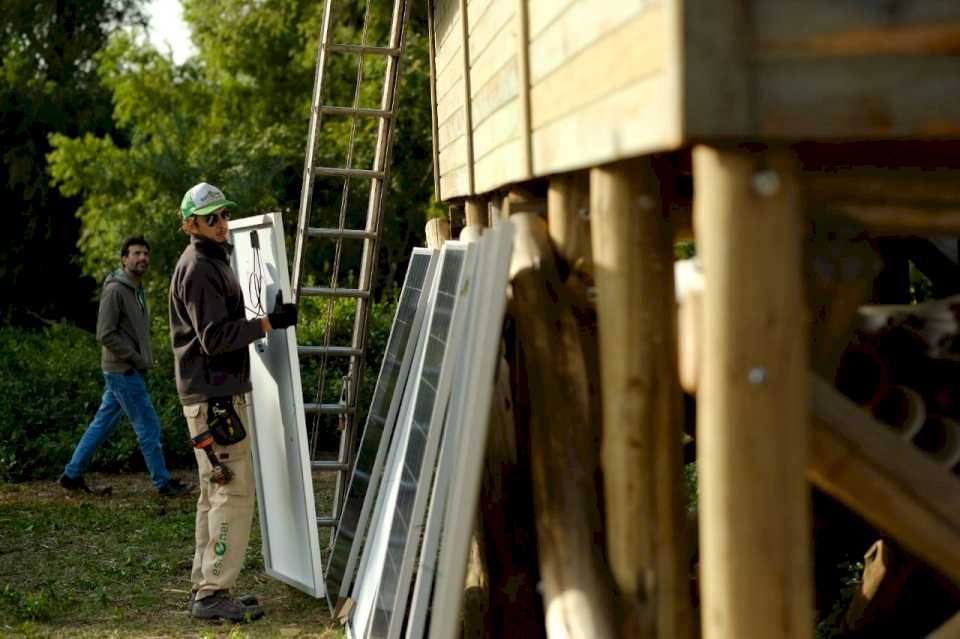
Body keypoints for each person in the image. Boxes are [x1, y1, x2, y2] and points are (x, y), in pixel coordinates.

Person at [169, 182, 298, 622]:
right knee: (233, 493)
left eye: (224, 215)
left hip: (209, 397)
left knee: (215, 493)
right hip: (214, 400)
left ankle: (206, 588)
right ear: (190, 224)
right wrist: (267, 323)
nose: (222, 224)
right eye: (212, 219)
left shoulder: (209, 260)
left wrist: (262, 321)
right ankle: (212, 593)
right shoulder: (200, 268)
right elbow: (214, 338)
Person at [59, 236, 192, 498]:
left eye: (145, 253)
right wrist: (135, 358)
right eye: (136, 253)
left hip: (126, 370)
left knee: (103, 423)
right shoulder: (115, 290)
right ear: (124, 258)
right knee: (149, 426)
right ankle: (163, 483)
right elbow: (104, 334)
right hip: (123, 371)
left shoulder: (136, 289)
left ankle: (71, 474)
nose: (142, 258)